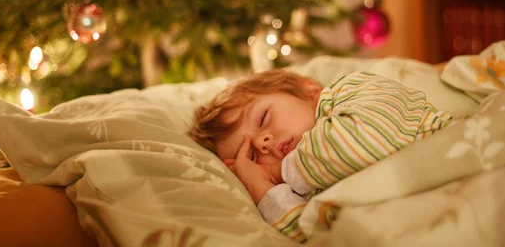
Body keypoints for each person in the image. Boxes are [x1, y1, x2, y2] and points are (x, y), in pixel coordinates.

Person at [189, 69, 455, 242]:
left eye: (263, 117)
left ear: (308, 91)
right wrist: (263, 191)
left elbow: (360, 143)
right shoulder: (304, 188)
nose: (262, 143)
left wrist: (273, 172)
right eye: (251, 158)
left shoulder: (352, 90)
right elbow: (315, 237)